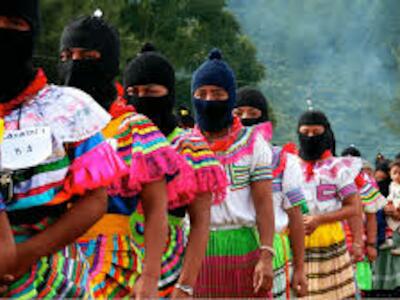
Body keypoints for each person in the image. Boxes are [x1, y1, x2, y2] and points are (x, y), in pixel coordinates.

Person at [0, 1, 127, 298]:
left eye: (15, 23)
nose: (3, 31)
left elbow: (96, 199)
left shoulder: (66, 110)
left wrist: (24, 256)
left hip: (49, 276)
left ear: (33, 33)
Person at [59, 16, 189, 298]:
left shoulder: (134, 129)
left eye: (87, 56)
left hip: (110, 261)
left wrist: (151, 276)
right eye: (67, 55)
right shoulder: (47, 123)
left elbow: (156, 209)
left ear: (107, 61)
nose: (74, 63)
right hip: (51, 258)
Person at [123, 44, 227, 298]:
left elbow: (201, 223)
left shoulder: (189, 147)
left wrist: (185, 285)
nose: (140, 98)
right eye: (133, 92)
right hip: (117, 263)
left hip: (168, 269)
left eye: (150, 91)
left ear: (167, 93)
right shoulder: (118, 139)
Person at [191, 49, 275, 297]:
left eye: (217, 94)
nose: (208, 100)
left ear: (230, 98)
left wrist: (266, 255)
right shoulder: (182, 145)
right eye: (201, 93)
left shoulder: (252, 144)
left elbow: (263, 203)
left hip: (244, 250)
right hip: (194, 253)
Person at [233, 86, 307, 298]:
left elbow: (295, 217)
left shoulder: (284, 161)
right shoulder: (218, 157)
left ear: (264, 118)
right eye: (238, 113)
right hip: (228, 249)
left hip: (272, 250)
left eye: (253, 114)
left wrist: (300, 269)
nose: (245, 118)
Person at [297, 110, 362, 299]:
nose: (310, 137)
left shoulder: (338, 168)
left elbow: (354, 207)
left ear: (325, 133)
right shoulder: (289, 165)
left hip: (329, 240)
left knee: (331, 294)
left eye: (316, 133)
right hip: (293, 239)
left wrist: (319, 219)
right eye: (305, 132)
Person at [341, 146, 383, 293]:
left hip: (359, 243)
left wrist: (371, 244)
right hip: (336, 242)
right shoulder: (334, 181)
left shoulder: (367, 185)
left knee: (358, 288)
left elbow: (372, 217)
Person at [384, 160, 400, 255]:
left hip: (398, 208)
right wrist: (388, 205)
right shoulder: (392, 185)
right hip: (393, 209)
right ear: (390, 174)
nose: (397, 176)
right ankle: (388, 239)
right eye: (395, 173)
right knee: (388, 223)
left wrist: (397, 209)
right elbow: (390, 197)